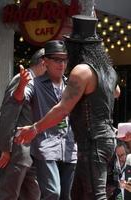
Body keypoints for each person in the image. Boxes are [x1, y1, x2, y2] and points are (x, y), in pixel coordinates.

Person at [14, 15, 120, 200]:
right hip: (105, 140)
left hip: (92, 142)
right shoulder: (108, 71)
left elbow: (62, 109)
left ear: (77, 46)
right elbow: (116, 92)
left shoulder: (81, 71)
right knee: (78, 195)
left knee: (96, 196)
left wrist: (35, 128)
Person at [13, 40, 77, 200]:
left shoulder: (72, 85)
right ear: (45, 61)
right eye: (57, 59)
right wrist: (21, 85)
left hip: (69, 147)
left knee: (66, 196)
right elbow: (19, 97)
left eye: (64, 59)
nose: (61, 64)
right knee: (52, 193)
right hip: (45, 146)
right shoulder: (35, 83)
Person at [0, 48, 46, 200]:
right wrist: (5, 148)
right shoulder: (21, 79)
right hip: (17, 151)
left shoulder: (40, 84)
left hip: (33, 152)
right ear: (44, 63)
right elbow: (7, 114)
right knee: (8, 195)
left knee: (33, 194)